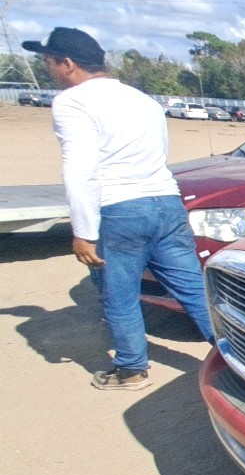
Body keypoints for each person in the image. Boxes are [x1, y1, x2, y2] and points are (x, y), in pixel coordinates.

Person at [23, 27, 215, 391]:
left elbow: (79, 169)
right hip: (166, 203)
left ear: (67, 63)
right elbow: (158, 155)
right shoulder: (144, 100)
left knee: (119, 295)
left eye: (49, 61)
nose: (48, 68)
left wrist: (83, 231)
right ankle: (238, 358)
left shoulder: (72, 102)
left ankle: (131, 370)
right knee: (193, 289)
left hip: (119, 209)